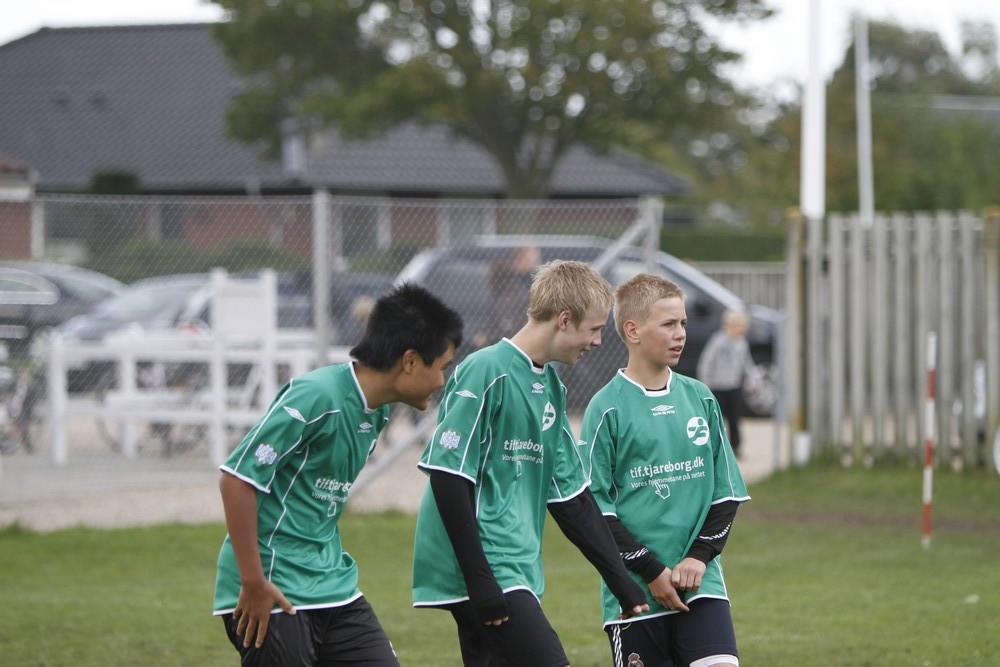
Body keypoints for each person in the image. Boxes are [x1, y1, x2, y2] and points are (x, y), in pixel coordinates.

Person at [411, 259, 649, 667]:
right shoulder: (486, 370)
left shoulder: (550, 386)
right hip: (488, 569)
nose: (597, 342)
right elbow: (447, 476)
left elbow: (573, 500)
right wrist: (480, 580)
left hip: (516, 570)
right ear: (564, 319)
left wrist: (619, 579)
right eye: (594, 329)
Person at [212, 283, 463, 666]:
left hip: (332, 583)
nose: (442, 381)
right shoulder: (317, 397)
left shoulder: (376, 411)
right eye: (441, 367)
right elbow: (236, 480)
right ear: (410, 361)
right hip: (273, 584)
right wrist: (253, 582)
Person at [581, 274, 750, 667]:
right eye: (669, 324)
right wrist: (651, 569)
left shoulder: (700, 398)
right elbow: (595, 510)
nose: (681, 334)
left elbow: (726, 494)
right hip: (636, 593)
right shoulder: (606, 408)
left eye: (683, 323)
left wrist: (699, 557)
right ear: (633, 331)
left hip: (701, 583)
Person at [696, 308, 753, 457]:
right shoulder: (718, 341)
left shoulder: (742, 343)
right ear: (732, 325)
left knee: (735, 418)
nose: (743, 330)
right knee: (717, 418)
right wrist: (705, 385)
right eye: (740, 326)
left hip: (733, 386)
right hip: (717, 387)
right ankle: (715, 447)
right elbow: (706, 363)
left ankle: (736, 447)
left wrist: (753, 379)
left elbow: (747, 363)